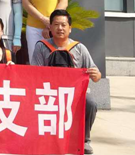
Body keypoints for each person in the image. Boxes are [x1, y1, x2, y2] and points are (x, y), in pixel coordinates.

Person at [30, 10, 100, 154]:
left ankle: (84, 140)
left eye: (63, 25)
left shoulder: (79, 48)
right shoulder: (41, 47)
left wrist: (96, 74)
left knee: (91, 103)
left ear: (70, 28)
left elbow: (96, 75)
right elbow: (34, 75)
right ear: (50, 27)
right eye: (56, 24)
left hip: (75, 94)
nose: (60, 28)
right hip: (48, 93)